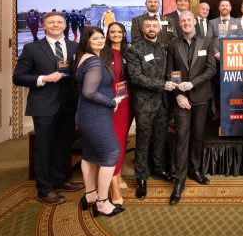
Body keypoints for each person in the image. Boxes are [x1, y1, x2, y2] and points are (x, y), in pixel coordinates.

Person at [13, 11, 84, 205]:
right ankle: (44, 189)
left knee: (63, 144)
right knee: (44, 147)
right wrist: (44, 78)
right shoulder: (32, 48)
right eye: (51, 22)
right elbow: (18, 77)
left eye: (59, 22)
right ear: (43, 25)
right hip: (43, 105)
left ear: (65, 25)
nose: (55, 25)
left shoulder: (75, 46)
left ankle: (60, 179)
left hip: (68, 104)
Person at [166, 11, 216, 204]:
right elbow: (171, 72)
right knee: (182, 137)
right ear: (179, 24)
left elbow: (211, 69)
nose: (186, 23)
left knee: (198, 135)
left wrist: (192, 83)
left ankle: (195, 170)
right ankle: (179, 180)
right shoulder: (173, 44)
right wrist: (178, 94)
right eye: (183, 21)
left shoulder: (206, 42)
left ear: (194, 22)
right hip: (181, 98)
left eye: (189, 20)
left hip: (201, 97)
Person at [74, 26, 125, 217]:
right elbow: (89, 92)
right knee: (112, 153)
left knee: (89, 155)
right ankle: (102, 202)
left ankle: (90, 195)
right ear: (86, 41)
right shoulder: (94, 61)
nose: (100, 40)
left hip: (87, 114)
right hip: (94, 115)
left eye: (101, 37)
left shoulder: (84, 58)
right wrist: (112, 102)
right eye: (95, 38)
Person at [126, 16, 177, 199]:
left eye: (154, 25)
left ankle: (159, 169)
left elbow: (168, 72)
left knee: (160, 138)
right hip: (144, 103)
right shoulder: (134, 49)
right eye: (148, 26)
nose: (151, 28)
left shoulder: (164, 48)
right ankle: (141, 177)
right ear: (143, 28)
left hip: (163, 102)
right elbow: (136, 77)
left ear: (159, 28)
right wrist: (163, 85)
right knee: (143, 140)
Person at [101, 22, 133, 207]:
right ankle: (113, 185)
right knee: (112, 143)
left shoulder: (128, 52)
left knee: (121, 140)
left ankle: (118, 173)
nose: (116, 34)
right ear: (108, 34)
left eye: (119, 32)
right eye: (112, 32)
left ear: (123, 33)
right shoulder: (102, 53)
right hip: (110, 103)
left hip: (127, 101)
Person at [209, 0, 239, 118]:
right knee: (217, 86)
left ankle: (231, 111)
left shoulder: (237, 22)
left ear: (230, 8)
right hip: (217, 61)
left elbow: (240, 39)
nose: (225, 7)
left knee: (232, 87)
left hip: (232, 61)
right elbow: (209, 41)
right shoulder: (212, 22)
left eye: (227, 5)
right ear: (219, 8)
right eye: (222, 5)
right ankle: (218, 111)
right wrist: (216, 53)